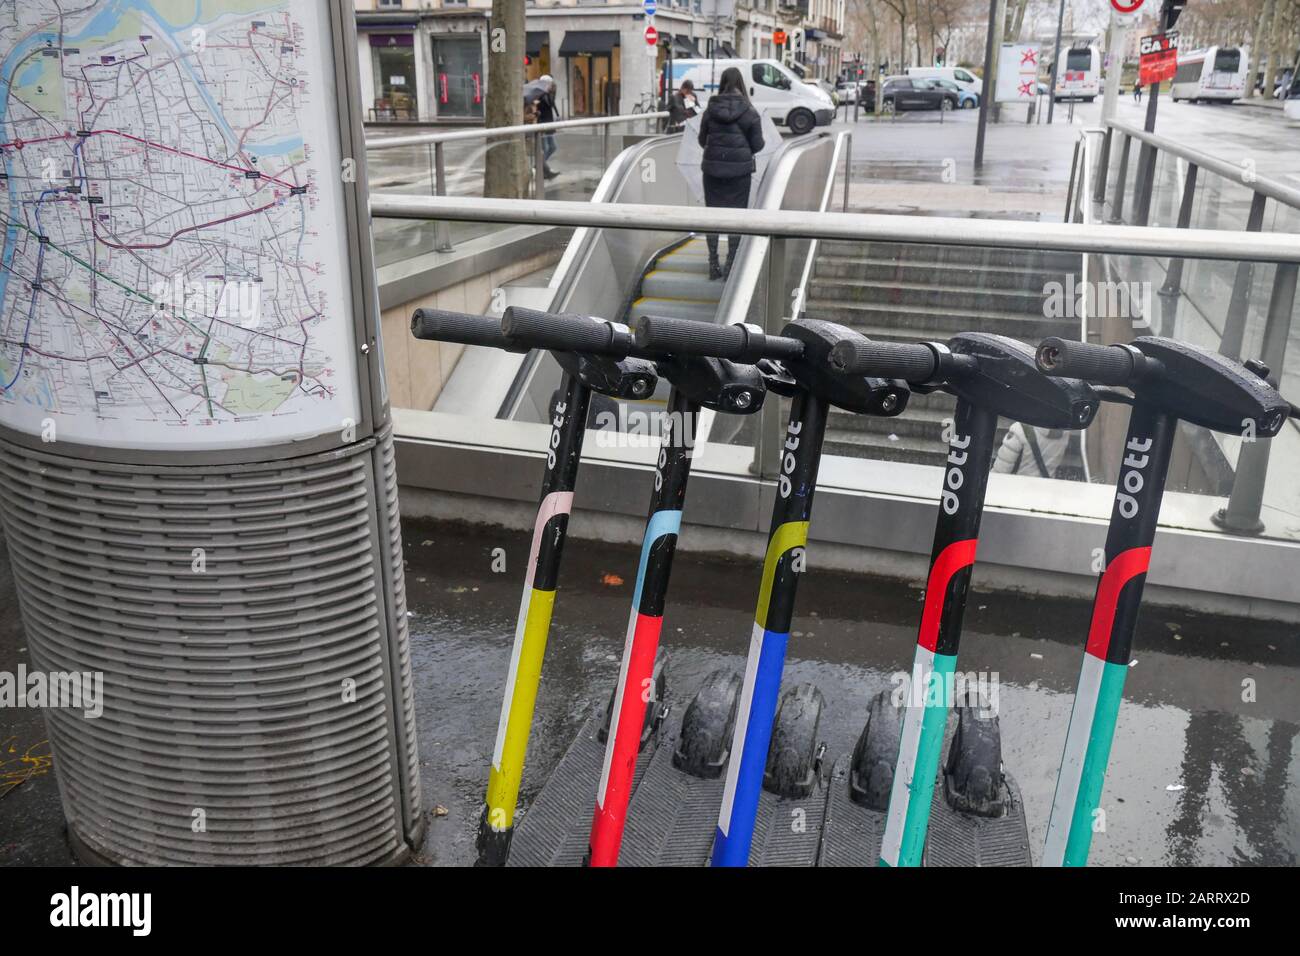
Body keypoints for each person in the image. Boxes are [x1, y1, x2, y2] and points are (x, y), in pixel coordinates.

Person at [697, 67, 764, 280]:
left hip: (712, 172)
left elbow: (702, 140)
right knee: (737, 217)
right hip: (739, 173)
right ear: (741, 83)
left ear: (723, 82)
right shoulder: (749, 111)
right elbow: (758, 144)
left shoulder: (711, 109)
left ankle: (712, 262)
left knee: (712, 217)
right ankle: (731, 264)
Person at [992, 423, 1070, 478]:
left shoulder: (1020, 429)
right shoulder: (1065, 432)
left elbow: (1000, 471)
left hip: (1018, 490)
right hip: (1045, 491)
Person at [524, 75, 560, 179]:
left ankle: (538, 167)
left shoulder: (547, 94)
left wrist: (552, 92)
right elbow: (546, 105)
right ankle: (543, 170)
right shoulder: (539, 95)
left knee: (552, 147)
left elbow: (552, 103)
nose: (551, 86)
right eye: (550, 84)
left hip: (548, 124)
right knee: (545, 148)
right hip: (541, 125)